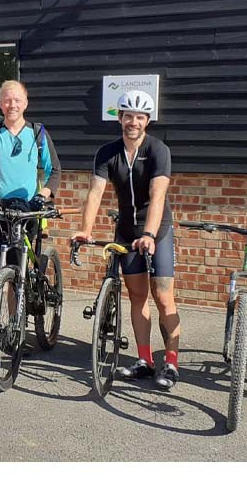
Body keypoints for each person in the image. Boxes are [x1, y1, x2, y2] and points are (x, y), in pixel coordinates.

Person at [71, 89, 181, 389]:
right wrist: (85, 229)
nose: (133, 122)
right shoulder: (107, 153)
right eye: (128, 116)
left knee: (163, 297)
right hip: (127, 230)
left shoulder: (158, 150)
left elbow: (158, 196)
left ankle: (171, 362)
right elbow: (95, 193)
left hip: (158, 231)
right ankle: (145, 360)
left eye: (140, 117)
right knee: (137, 296)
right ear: (119, 118)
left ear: (147, 120)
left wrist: (149, 234)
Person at [0, 79, 62, 354]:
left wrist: (42, 196)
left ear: (25, 103)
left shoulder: (38, 133)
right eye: (7, 100)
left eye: (17, 100)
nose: (12, 105)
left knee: (18, 274)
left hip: (27, 211)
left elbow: (54, 171)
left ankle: (13, 332)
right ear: (0, 104)